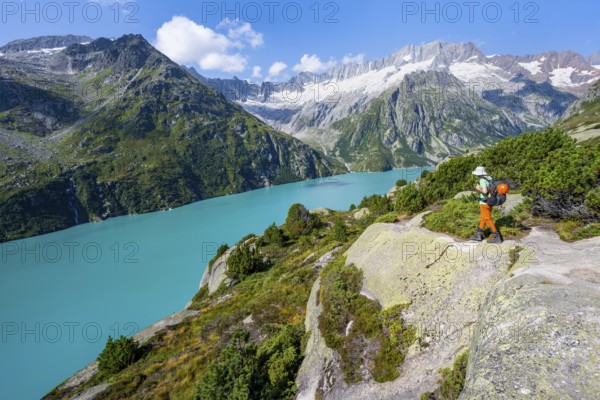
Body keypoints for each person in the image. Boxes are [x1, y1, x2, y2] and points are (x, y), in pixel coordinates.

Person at [470, 166, 502, 243]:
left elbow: (484, 191)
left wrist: (478, 188)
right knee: (483, 218)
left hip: (484, 202)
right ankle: (478, 235)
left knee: (487, 218)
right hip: (490, 201)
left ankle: (496, 236)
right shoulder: (489, 178)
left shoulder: (482, 180)